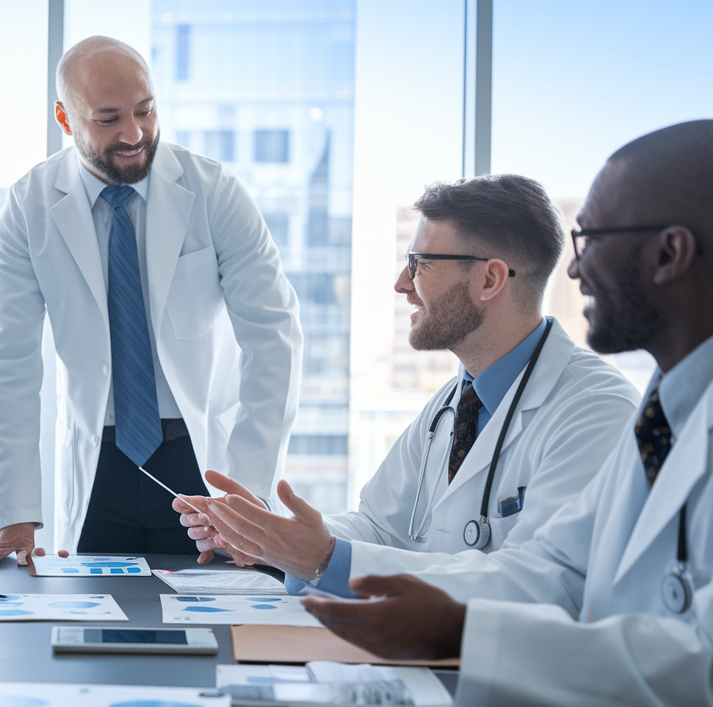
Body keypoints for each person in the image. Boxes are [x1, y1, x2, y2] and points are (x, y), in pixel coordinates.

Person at [294, 120, 713, 707]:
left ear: (669, 254)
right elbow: (556, 569)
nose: (575, 271)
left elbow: (695, 665)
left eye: (592, 238)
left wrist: (462, 630)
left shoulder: (603, 407)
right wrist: (297, 542)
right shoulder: (663, 415)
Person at [179, 174, 638, 597]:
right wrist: (267, 534)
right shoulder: (454, 404)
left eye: (419, 264)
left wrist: (323, 559)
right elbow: (379, 529)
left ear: (489, 279)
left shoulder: (596, 411)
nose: (403, 284)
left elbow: (542, 583)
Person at [0, 36, 303, 566]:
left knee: (214, 629)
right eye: (108, 120)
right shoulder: (29, 205)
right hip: (99, 465)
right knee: (92, 633)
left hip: (202, 464)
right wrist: (13, 515)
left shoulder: (213, 190)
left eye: (145, 111)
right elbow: (4, 364)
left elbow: (274, 338)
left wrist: (249, 489)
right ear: (65, 117)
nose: (134, 134)